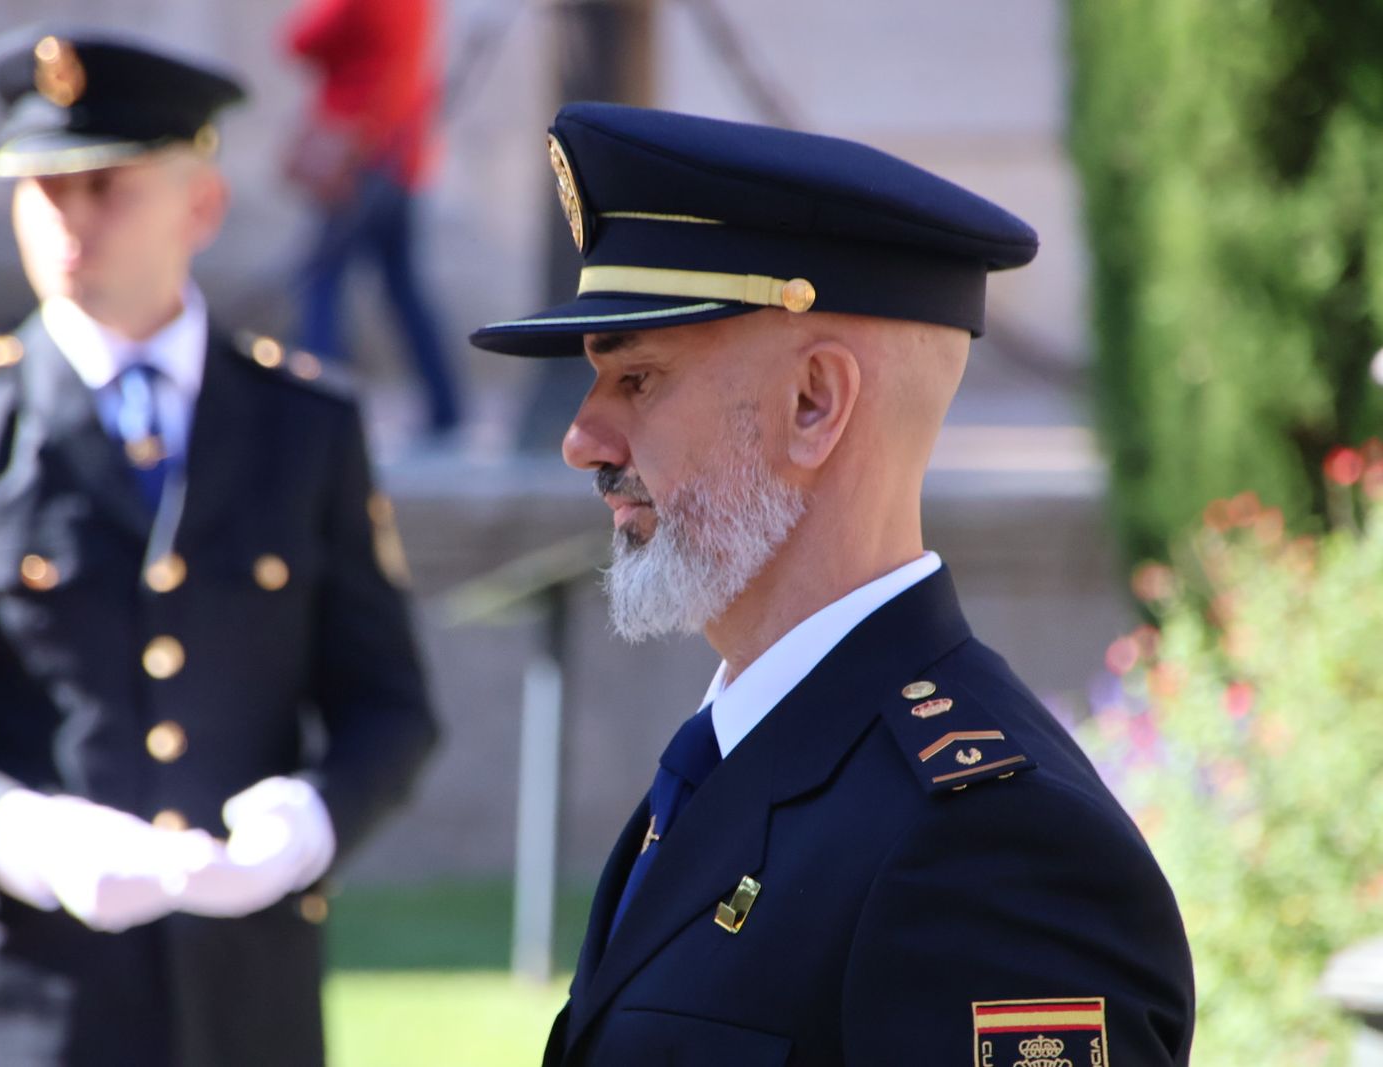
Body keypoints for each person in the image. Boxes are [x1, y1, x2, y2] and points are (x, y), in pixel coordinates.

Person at [469, 103, 1194, 1066]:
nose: (581, 441)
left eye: (638, 380)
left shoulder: (991, 845)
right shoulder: (731, 760)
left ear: (813, 403)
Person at [0, 25, 437, 1067]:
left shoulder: (305, 422)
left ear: (203, 205)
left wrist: (311, 821)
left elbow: (390, 704)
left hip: (249, 1005)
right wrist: (21, 834)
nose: (70, 217)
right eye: (43, 188)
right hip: (25, 1002)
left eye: (106, 186)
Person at [281, 0, 463, 440]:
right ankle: (446, 407)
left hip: (359, 151)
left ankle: (318, 405)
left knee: (321, 280)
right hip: (400, 155)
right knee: (401, 286)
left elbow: (302, 39)